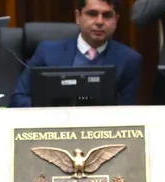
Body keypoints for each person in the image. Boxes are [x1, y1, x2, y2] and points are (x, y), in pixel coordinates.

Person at [9, 0, 142, 107]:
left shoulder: (129, 60)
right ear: (78, 17)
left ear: (116, 20)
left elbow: (126, 112)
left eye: (107, 16)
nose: (99, 22)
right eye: (92, 14)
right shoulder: (47, 52)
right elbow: (18, 99)